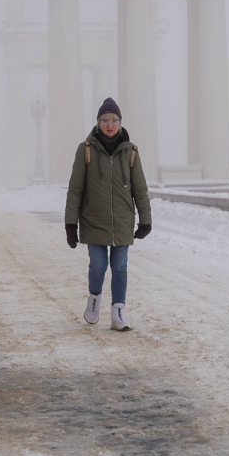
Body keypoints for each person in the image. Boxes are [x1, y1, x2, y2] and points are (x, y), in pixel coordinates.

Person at [64, 97, 152, 331]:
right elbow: (75, 189)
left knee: (120, 268)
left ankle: (118, 312)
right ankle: (94, 299)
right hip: (93, 221)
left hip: (122, 221)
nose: (110, 125)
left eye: (114, 120)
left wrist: (145, 220)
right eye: (105, 120)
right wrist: (70, 224)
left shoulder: (131, 151)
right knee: (98, 266)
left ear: (120, 122)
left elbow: (140, 189)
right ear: (98, 123)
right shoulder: (86, 150)